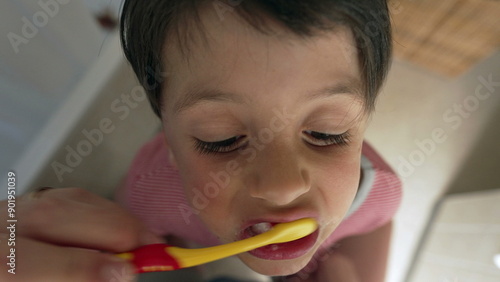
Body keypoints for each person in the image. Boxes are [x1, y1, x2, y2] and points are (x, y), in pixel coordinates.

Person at [0, 0, 402, 281]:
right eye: (222, 139)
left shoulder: (380, 191)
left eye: (326, 133)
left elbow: (376, 225)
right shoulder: (149, 191)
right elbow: (133, 227)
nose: (281, 188)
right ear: (169, 143)